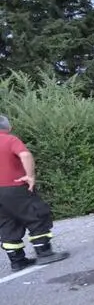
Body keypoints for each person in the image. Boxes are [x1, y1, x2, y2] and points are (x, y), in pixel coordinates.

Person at [0, 115, 69, 271]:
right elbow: (25, 155)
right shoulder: (10, 139)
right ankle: (44, 253)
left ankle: (17, 261)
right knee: (35, 215)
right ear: (8, 128)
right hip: (15, 187)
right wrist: (30, 176)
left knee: (6, 224)